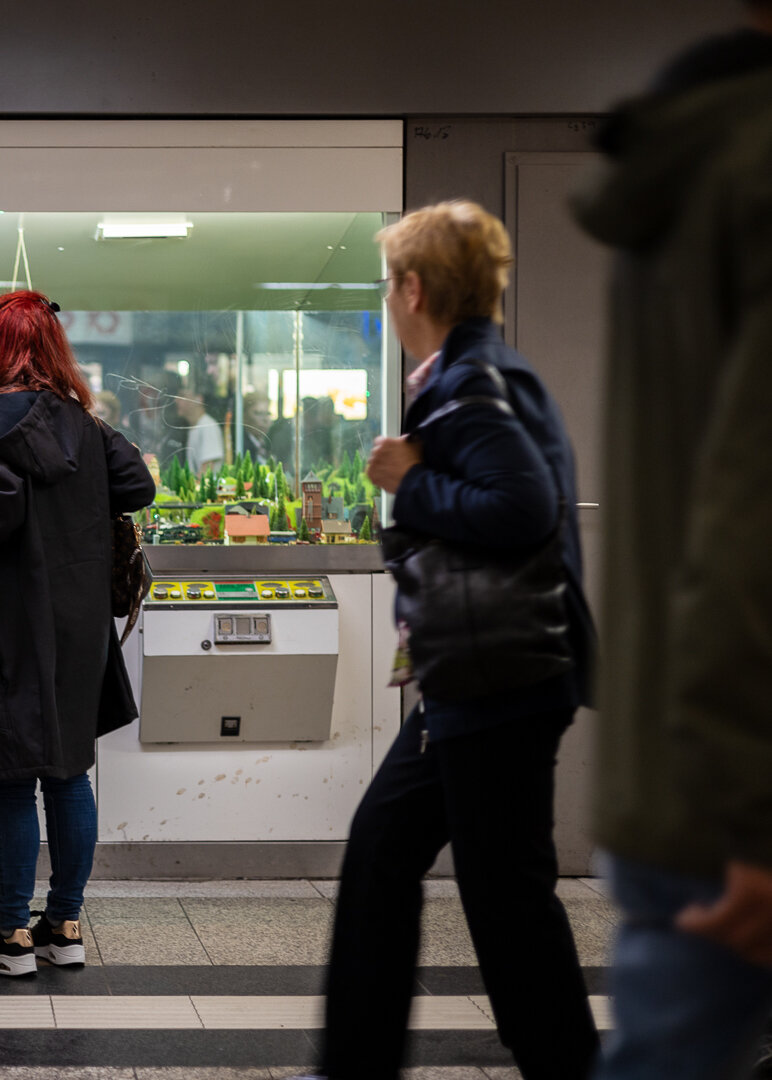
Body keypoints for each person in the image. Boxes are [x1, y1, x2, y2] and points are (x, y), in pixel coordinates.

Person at [290, 202, 599, 1080]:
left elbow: (523, 509)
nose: (389, 299)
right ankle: (357, 1059)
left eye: (390, 283)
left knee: (505, 900)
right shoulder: (478, 373)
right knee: (390, 857)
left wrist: (410, 480)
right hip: (476, 678)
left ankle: (564, 1062)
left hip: (497, 682)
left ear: (414, 287)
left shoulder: (472, 384)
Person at [574, 4, 772, 1078]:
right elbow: (753, 523)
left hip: (678, 770)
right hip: (741, 794)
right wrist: (752, 818)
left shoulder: (689, 174)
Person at [0, 291, 154, 977]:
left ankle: (11, 935)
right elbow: (136, 486)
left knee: (11, 778)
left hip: (1, 626)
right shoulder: (83, 424)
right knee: (69, 772)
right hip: (75, 628)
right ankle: (64, 925)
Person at [174, 388, 224, 477]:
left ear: (198, 399)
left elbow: (207, 469)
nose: (176, 400)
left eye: (182, 396)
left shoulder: (208, 426)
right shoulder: (196, 427)